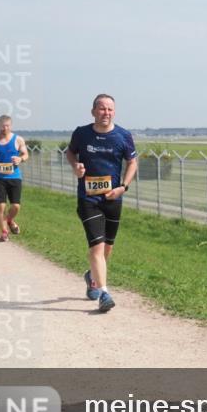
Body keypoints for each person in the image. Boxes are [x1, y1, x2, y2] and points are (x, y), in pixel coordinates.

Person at [66, 94, 137, 313]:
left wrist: (123, 187)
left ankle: (92, 276)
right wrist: (75, 165)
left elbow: (132, 162)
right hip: (88, 199)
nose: (106, 113)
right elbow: (70, 152)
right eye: (102, 108)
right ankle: (104, 293)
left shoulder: (123, 136)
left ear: (114, 112)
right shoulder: (82, 133)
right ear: (93, 111)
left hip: (113, 198)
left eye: (110, 109)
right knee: (96, 245)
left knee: (107, 247)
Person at [0, 115, 28, 242]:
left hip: (14, 177)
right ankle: (4, 232)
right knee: (1, 206)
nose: (5, 128)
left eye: (7, 125)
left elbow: (26, 154)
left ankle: (9, 219)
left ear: (11, 125)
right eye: (2, 126)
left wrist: (20, 159)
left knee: (16, 206)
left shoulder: (18, 139)